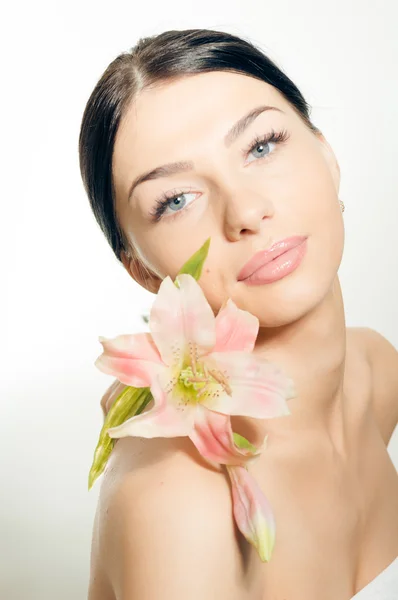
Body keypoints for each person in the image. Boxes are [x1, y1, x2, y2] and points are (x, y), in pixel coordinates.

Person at [79, 28, 398, 600]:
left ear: (326, 153)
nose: (246, 211)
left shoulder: (376, 374)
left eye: (262, 145)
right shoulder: (178, 506)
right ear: (146, 274)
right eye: (175, 199)